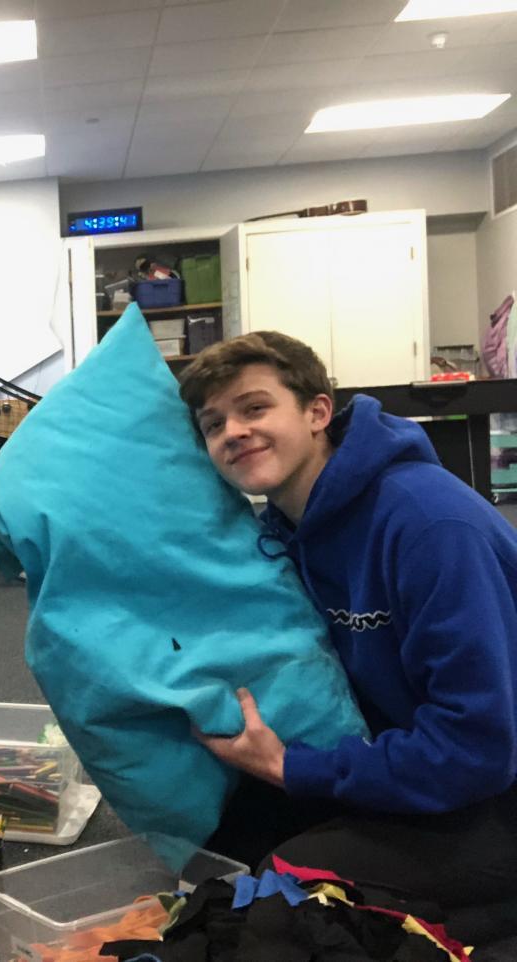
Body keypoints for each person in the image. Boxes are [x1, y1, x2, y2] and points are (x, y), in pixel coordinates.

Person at [179, 331, 517, 942]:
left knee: (285, 890)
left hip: (493, 790)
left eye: (254, 407)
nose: (233, 432)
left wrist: (289, 767)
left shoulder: (430, 525)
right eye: (214, 423)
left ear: (317, 412)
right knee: (220, 854)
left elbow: (477, 750)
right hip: (409, 758)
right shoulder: (285, 529)